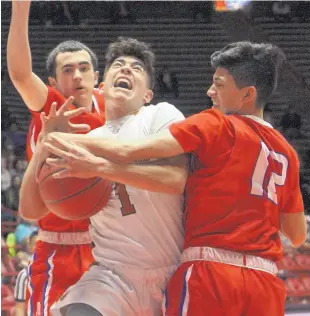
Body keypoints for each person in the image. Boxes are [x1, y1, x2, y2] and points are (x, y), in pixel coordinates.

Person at [44, 41, 307, 316]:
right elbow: (297, 234)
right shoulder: (286, 153)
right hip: (264, 280)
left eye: (219, 85)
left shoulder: (215, 123)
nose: (210, 92)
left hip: (210, 270)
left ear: (247, 95)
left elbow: (126, 149)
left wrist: (63, 142)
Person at [19, 37, 188, 316]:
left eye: (136, 68)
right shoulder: (81, 142)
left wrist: (99, 168)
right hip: (112, 277)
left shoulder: (161, 116)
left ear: (148, 94)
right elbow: (29, 209)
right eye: (118, 65)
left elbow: (174, 180)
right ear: (102, 85)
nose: (125, 69)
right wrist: (46, 144)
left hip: (173, 271)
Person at [7, 1, 105, 315]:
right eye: (67, 70)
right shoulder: (50, 105)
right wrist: (20, 9)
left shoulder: (110, 107)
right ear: (53, 82)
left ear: (96, 75)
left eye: (83, 67)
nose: (77, 75)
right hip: (59, 247)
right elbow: (21, 75)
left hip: (109, 248)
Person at [14, 231, 39, 316]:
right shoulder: (24, 275)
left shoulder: (59, 273)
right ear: (30, 247)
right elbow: (19, 308)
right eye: (36, 244)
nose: (40, 247)